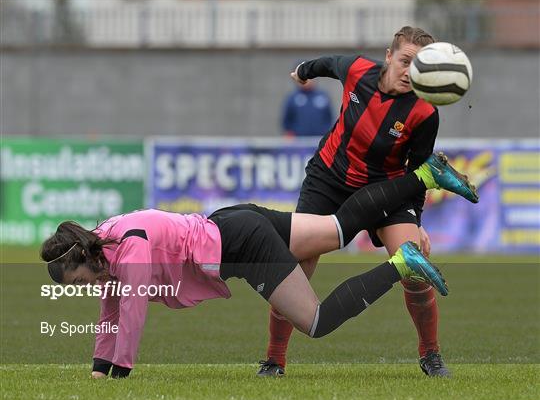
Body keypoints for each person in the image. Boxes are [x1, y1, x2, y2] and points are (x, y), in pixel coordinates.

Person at [40, 153, 478, 379]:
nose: (83, 287)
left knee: (317, 321)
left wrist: (117, 375)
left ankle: (402, 262)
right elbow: (110, 309)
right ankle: (423, 176)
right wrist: (99, 365)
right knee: (341, 227)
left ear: (83, 258)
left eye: (78, 280)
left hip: (241, 243)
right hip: (231, 220)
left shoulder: (130, 253)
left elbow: (130, 315)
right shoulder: (104, 242)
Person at [259, 26, 454, 378]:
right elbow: (329, 63)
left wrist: (418, 221)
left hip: (387, 189)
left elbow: (419, 171)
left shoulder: (425, 112)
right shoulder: (358, 70)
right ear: (389, 56)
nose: (411, 72)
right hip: (329, 181)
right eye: (406, 61)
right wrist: (304, 70)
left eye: (421, 66)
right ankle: (274, 360)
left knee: (414, 265)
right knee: (295, 268)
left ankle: (431, 355)